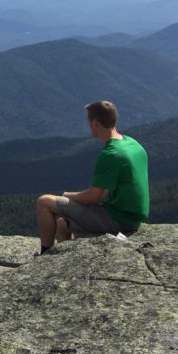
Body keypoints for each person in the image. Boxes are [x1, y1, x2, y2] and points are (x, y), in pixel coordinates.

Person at [35, 100, 149, 253]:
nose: (88, 125)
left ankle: (43, 254)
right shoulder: (133, 144)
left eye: (89, 121)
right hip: (131, 218)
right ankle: (61, 260)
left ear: (94, 122)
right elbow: (110, 190)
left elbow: (93, 197)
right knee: (62, 225)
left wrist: (67, 195)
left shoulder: (111, 154)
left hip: (117, 219)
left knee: (44, 202)